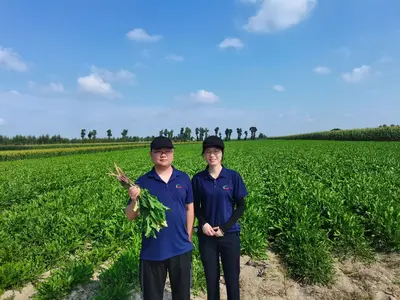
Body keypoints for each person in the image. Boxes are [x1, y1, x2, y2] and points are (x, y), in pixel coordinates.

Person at [125, 136, 194, 300]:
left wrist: (189, 235)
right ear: (151, 154)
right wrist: (134, 200)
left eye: (167, 151)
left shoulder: (183, 178)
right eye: (158, 151)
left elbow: (189, 208)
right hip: (153, 250)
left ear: (173, 153)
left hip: (181, 248)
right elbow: (130, 216)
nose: (163, 154)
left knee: (182, 295)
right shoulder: (142, 182)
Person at [192, 135, 248, 300]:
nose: (212, 155)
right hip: (207, 236)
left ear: (222, 153)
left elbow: (241, 206)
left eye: (216, 151)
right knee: (211, 278)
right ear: (204, 154)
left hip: (229, 235)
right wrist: (203, 223)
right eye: (208, 151)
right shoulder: (198, 179)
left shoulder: (233, 177)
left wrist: (225, 227)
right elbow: (195, 206)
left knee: (232, 278)